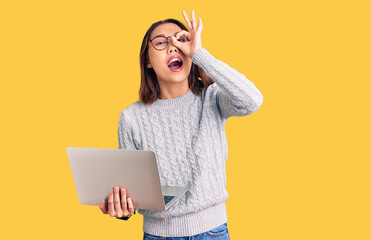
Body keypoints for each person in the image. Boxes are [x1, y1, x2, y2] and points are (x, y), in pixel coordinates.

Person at [99, 10, 263, 239]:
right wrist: (122, 208)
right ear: (147, 60)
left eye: (181, 40)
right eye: (161, 42)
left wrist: (200, 54)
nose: (173, 47)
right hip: (158, 235)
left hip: (213, 232)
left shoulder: (212, 98)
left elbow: (252, 100)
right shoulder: (131, 118)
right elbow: (132, 192)